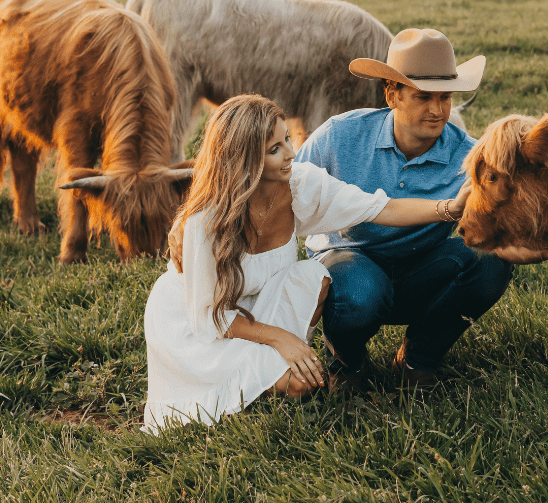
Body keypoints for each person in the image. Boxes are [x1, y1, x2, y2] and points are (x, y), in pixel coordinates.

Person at [142, 93, 476, 432]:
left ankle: (262, 376)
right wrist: (281, 339)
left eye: (287, 138)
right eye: (274, 149)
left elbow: (382, 208)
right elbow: (207, 317)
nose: (290, 152)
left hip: (259, 303)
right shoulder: (205, 222)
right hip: (199, 326)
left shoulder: (300, 184)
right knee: (297, 383)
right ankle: (245, 384)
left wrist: (450, 207)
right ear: (242, 162)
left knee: (314, 277)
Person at [294, 28, 548, 393]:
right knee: (360, 289)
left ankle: (417, 359)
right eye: (423, 96)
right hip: (348, 266)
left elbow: (499, 239)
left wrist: (541, 252)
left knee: (487, 259)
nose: (438, 110)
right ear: (392, 95)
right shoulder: (338, 136)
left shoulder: (470, 157)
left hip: (422, 269)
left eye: (445, 97)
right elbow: (286, 196)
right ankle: (346, 363)